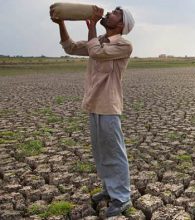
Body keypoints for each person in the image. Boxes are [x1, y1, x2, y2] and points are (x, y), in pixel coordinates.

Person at [50, 5, 135, 217]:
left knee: (114, 152)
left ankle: (122, 198)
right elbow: (69, 47)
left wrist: (93, 28)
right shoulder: (99, 41)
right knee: (100, 152)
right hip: (94, 104)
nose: (109, 13)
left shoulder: (123, 44)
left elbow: (95, 52)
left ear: (122, 24)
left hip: (108, 105)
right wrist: (61, 23)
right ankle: (109, 190)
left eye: (115, 12)